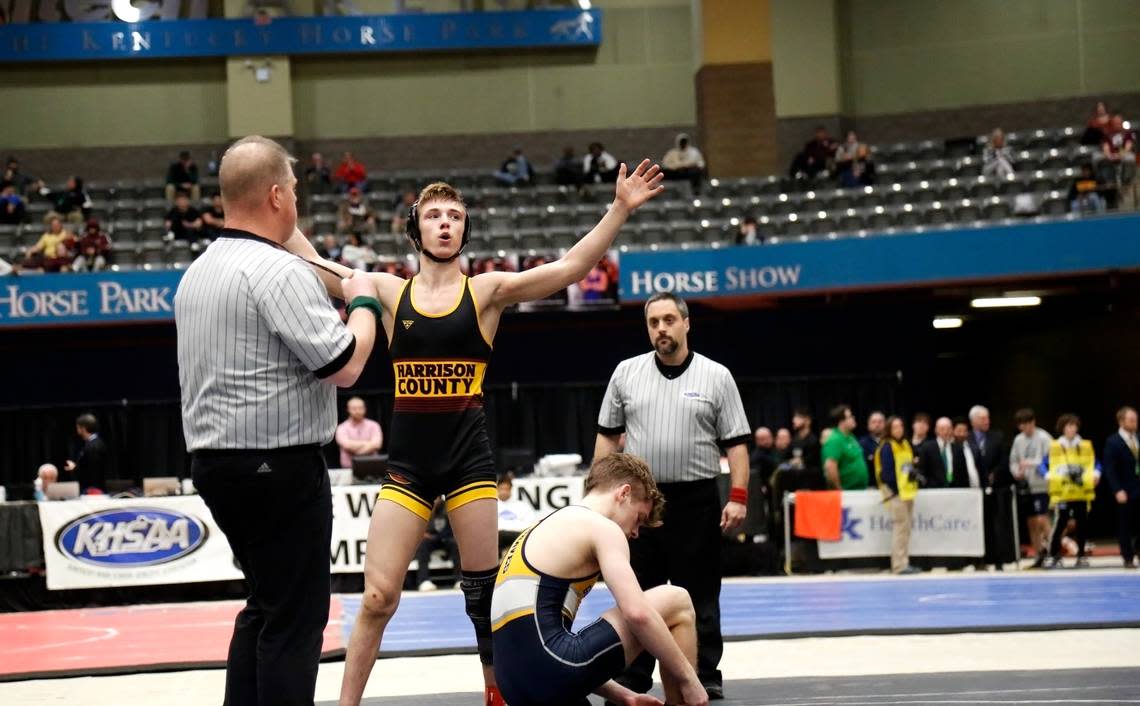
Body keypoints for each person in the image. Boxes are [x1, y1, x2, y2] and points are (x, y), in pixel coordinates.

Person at [284, 159, 665, 706]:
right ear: (416, 228)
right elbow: (312, 261)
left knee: (486, 598)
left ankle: (496, 691)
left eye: (455, 216)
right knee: (377, 596)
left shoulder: (486, 292)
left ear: (465, 229)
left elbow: (571, 267)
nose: (445, 224)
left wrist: (620, 207)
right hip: (409, 467)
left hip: (469, 464)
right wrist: (281, 213)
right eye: (435, 215)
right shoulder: (390, 293)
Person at [174, 135, 379, 706]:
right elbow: (344, 364)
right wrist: (362, 301)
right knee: (295, 620)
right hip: (277, 468)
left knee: (265, 607)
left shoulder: (199, 272)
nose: (296, 200)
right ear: (275, 196)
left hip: (216, 465)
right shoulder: (277, 272)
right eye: (291, 188)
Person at [594, 291, 750, 701]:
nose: (661, 328)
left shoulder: (717, 376)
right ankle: (633, 673)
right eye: (653, 322)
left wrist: (738, 497)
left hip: (697, 500)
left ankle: (703, 673)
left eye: (668, 320)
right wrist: (596, 500)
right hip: (640, 504)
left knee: (699, 591)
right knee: (637, 591)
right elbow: (607, 439)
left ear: (685, 323)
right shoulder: (626, 373)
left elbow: (736, 445)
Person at [491, 453, 707, 706]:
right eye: (638, 518)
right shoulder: (602, 528)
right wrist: (689, 680)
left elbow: (536, 651)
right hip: (551, 669)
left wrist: (624, 695)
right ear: (623, 493)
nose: (635, 532)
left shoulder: (544, 526)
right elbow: (638, 614)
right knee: (677, 600)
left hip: (513, 685)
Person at [1044, 414, 1097, 569]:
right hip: (1063, 493)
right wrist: (1047, 474)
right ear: (1062, 428)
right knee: (1060, 525)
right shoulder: (1055, 446)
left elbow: (1096, 463)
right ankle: (1053, 556)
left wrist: (1096, 473)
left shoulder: (1085, 445)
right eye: (1068, 426)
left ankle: (1081, 555)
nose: (1071, 429)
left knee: (1082, 525)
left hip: (1080, 492)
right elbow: (1044, 463)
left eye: (1074, 425)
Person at [875, 415, 920, 574]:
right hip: (896, 492)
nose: (899, 429)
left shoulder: (905, 444)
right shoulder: (887, 446)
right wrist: (896, 490)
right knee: (900, 528)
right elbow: (886, 473)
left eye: (900, 426)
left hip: (907, 491)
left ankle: (904, 561)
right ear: (889, 429)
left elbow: (908, 466)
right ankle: (898, 565)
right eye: (895, 427)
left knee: (906, 528)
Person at [968, 405, 1012, 569]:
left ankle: (999, 560)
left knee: (997, 524)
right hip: (974, 490)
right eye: (983, 418)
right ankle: (979, 560)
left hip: (995, 488)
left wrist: (994, 474)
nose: (987, 421)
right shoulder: (967, 439)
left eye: (988, 418)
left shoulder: (998, 437)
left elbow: (1004, 459)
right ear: (973, 421)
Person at [1009, 408, 1054, 568]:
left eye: (1027, 424)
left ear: (1033, 422)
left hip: (1042, 485)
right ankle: (1039, 554)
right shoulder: (1018, 440)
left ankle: (1054, 552)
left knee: (1042, 518)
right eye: (1021, 425)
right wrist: (1017, 472)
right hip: (1027, 487)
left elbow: (1052, 459)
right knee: (1031, 522)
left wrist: (1031, 464)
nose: (1024, 428)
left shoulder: (1044, 437)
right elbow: (1014, 461)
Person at [1103, 406, 1140, 569]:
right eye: (1131, 420)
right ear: (1121, 421)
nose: (1134, 423)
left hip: (1139, 487)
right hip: (1124, 489)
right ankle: (1128, 556)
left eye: (1136, 420)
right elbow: (1110, 469)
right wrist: (1117, 489)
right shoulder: (1113, 441)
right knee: (1125, 524)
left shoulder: (1138, 438)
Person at [821, 404, 868, 490]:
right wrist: (839, 490)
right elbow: (830, 467)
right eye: (850, 417)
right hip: (846, 493)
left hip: (859, 491)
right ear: (841, 421)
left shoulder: (851, 437)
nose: (853, 418)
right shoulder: (835, 440)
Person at [414, 500, 458, 591]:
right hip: (431, 539)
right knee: (423, 544)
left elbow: (452, 527)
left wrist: (439, 536)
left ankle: (460, 579)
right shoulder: (423, 505)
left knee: (454, 544)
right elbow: (418, 527)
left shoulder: (446, 506)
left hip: (446, 537)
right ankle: (423, 581)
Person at [335, 396, 383, 470]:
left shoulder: (374, 425)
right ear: (348, 409)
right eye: (354, 408)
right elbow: (347, 445)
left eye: (360, 408)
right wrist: (369, 444)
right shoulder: (342, 428)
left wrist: (356, 452)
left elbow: (377, 444)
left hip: (372, 467)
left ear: (365, 409)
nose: (357, 411)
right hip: (349, 468)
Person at [64, 413, 108, 493]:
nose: (77, 430)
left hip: (93, 490)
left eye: (77, 427)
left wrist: (75, 468)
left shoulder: (93, 446)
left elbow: (93, 470)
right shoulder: (93, 443)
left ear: (83, 428)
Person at [859, 411, 886, 487]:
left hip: (889, 485)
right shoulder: (862, 443)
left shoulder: (890, 442)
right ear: (868, 425)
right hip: (870, 486)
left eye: (880, 422)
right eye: (874, 422)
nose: (877, 425)